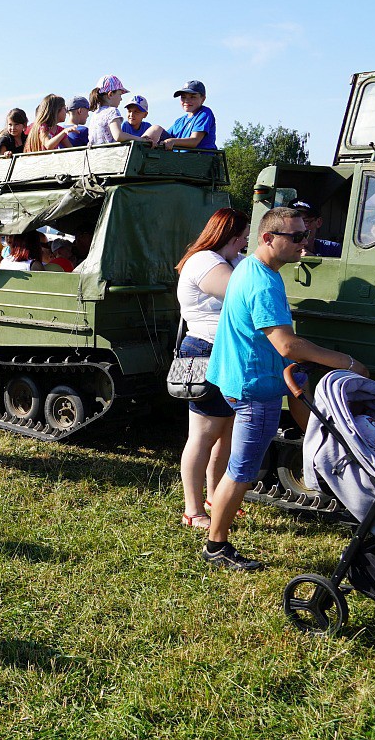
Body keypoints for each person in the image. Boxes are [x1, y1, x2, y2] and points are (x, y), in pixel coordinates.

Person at [204, 206, 370, 570]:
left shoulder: (250, 266)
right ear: (268, 238)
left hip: (241, 375)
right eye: (296, 237)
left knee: (241, 457)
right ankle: (216, 546)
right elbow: (287, 345)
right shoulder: (263, 281)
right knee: (244, 469)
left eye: (305, 234)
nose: (304, 243)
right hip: (256, 387)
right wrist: (347, 362)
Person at [174, 208, 250, 530]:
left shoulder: (232, 259)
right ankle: (193, 511)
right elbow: (243, 294)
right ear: (231, 236)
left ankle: (215, 497)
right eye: (244, 236)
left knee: (226, 435)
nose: (247, 241)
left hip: (229, 353)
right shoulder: (204, 262)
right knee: (203, 436)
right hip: (206, 351)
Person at [147, 80, 217, 151]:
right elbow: (164, 138)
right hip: (180, 158)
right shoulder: (179, 121)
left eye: (192, 97)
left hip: (200, 158)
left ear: (203, 99)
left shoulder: (204, 113)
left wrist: (172, 141)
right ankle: (139, 143)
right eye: (183, 97)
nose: (187, 100)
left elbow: (194, 141)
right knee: (156, 129)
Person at [87, 76, 151, 146]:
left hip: (95, 155)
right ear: (110, 94)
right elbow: (118, 136)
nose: (121, 99)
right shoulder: (112, 111)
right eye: (120, 94)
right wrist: (140, 139)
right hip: (110, 155)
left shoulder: (95, 114)